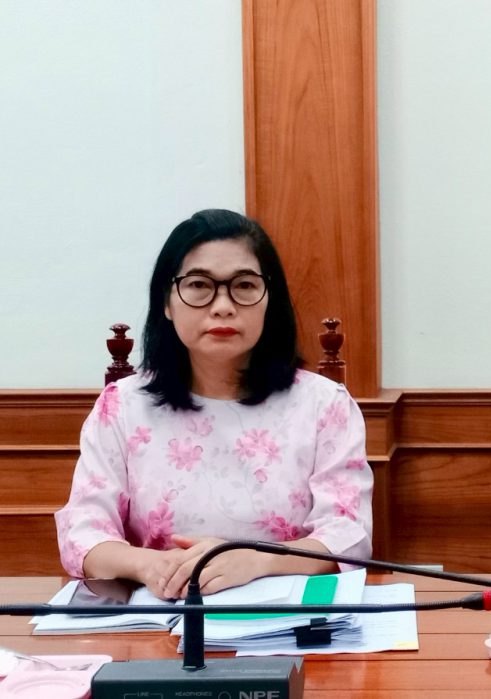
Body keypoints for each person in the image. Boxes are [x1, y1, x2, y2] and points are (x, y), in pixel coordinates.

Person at [56, 209, 373, 600]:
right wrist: (148, 565)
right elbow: (84, 531)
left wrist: (259, 560)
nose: (223, 306)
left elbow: (348, 534)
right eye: (198, 285)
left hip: (287, 619)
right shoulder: (122, 407)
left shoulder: (324, 405)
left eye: (244, 285)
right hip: (160, 615)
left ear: (269, 300)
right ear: (166, 302)